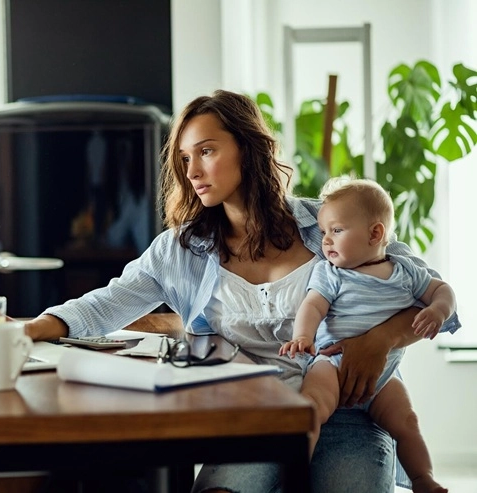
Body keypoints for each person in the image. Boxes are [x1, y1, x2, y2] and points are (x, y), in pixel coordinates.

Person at [24, 90, 461, 492]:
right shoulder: (181, 251)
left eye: (207, 151)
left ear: (250, 151)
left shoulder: (327, 225)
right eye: (185, 158)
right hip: (255, 418)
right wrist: (32, 328)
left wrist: (380, 340)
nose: (192, 171)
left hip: (350, 413)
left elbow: (428, 292)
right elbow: (105, 305)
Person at [279, 177, 455, 493]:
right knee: (311, 409)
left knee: (408, 423)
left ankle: (423, 479)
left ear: (375, 233)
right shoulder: (330, 273)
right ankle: (294, 477)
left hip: (383, 376)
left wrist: (437, 310)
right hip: (330, 366)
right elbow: (312, 306)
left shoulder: (406, 271)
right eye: (323, 232)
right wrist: (303, 336)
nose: (326, 241)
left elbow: (442, 290)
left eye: (337, 230)